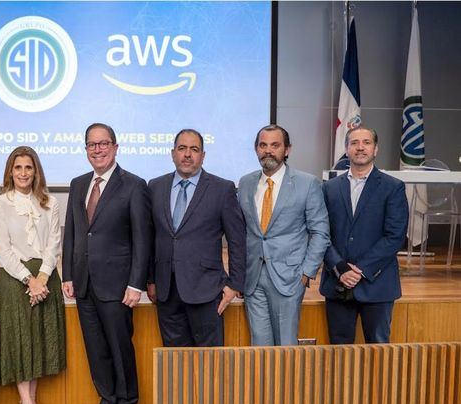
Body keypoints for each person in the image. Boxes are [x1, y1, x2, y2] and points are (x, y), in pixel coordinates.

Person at [62, 123, 152, 404]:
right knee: (96, 348)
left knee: (119, 347)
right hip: (84, 283)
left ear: (115, 147)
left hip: (117, 285)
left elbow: (143, 239)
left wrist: (136, 284)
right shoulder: (78, 184)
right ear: (86, 149)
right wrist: (68, 275)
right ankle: (107, 402)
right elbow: (72, 232)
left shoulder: (134, 185)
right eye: (92, 144)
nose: (97, 149)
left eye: (103, 144)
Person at [0, 146, 66, 404]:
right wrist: (29, 280)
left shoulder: (50, 202)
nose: (23, 173)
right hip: (15, 278)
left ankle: (27, 402)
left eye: (28, 168)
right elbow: (3, 251)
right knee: (21, 342)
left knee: (37, 341)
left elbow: (53, 243)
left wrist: (43, 277)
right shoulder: (0, 205)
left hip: (45, 278)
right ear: (10, 171)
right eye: (17, 168)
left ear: (36, 171)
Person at [147, 129, 246, 347]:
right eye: (182, 148)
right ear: (173, 153)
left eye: (194, 149)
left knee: (209, 367)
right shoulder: (155, 187)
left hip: (207, 292)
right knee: (174, 365)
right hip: (167, 292)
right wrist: (151, 280)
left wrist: (234, 284)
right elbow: (151, 238)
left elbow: (237, 240)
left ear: (203, 155)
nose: (187, 154)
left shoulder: (222, 189)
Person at [238, 124, 330, 346]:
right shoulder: (246, 182)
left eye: (275, 145)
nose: (268, 150)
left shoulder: (307, 183)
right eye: (263, 145)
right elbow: (242, 231)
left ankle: (285, 384)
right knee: (259, 347)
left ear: (287, 149)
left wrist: (307, 272)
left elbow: (320, 232)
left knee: (286, 347)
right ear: (256, 149)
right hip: (252, 278)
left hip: (289, 277)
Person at [320, 126, 409, 343]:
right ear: (346, 149)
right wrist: (340, 268)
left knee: (378, 354)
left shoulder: (393, 187)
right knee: (339, 357)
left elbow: (395, 236)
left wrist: (360, 270)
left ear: (376, 149)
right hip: (337, 283)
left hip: (377, 285)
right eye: (354, 143)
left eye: (366, 142)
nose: (360, 147)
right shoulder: (328, 188)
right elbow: (320, 233)